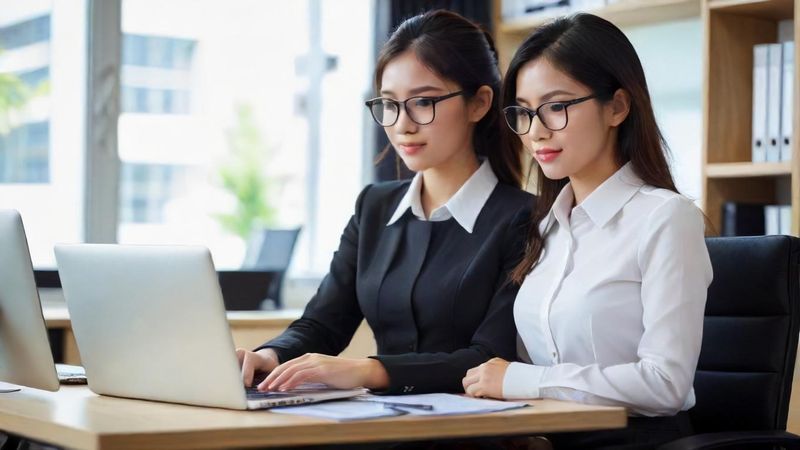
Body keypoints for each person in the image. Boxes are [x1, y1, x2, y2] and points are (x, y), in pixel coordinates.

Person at [237, 9, 534, 396]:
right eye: (390, 104)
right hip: (381, 419)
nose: (402, 124)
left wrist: (368, 371)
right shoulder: (374, 207)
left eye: (423, 102)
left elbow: (491, 356)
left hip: (473, 423)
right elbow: (323, 323)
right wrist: (270, 355)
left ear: (478, 103)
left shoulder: (524, 219)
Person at [462, 13, 713, 449]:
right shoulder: (545, 228)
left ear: (617, 107)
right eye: (524, 112)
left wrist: (523, 380)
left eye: (556, 107)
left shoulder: (666, 218)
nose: (536, 131)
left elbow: (665, 384)